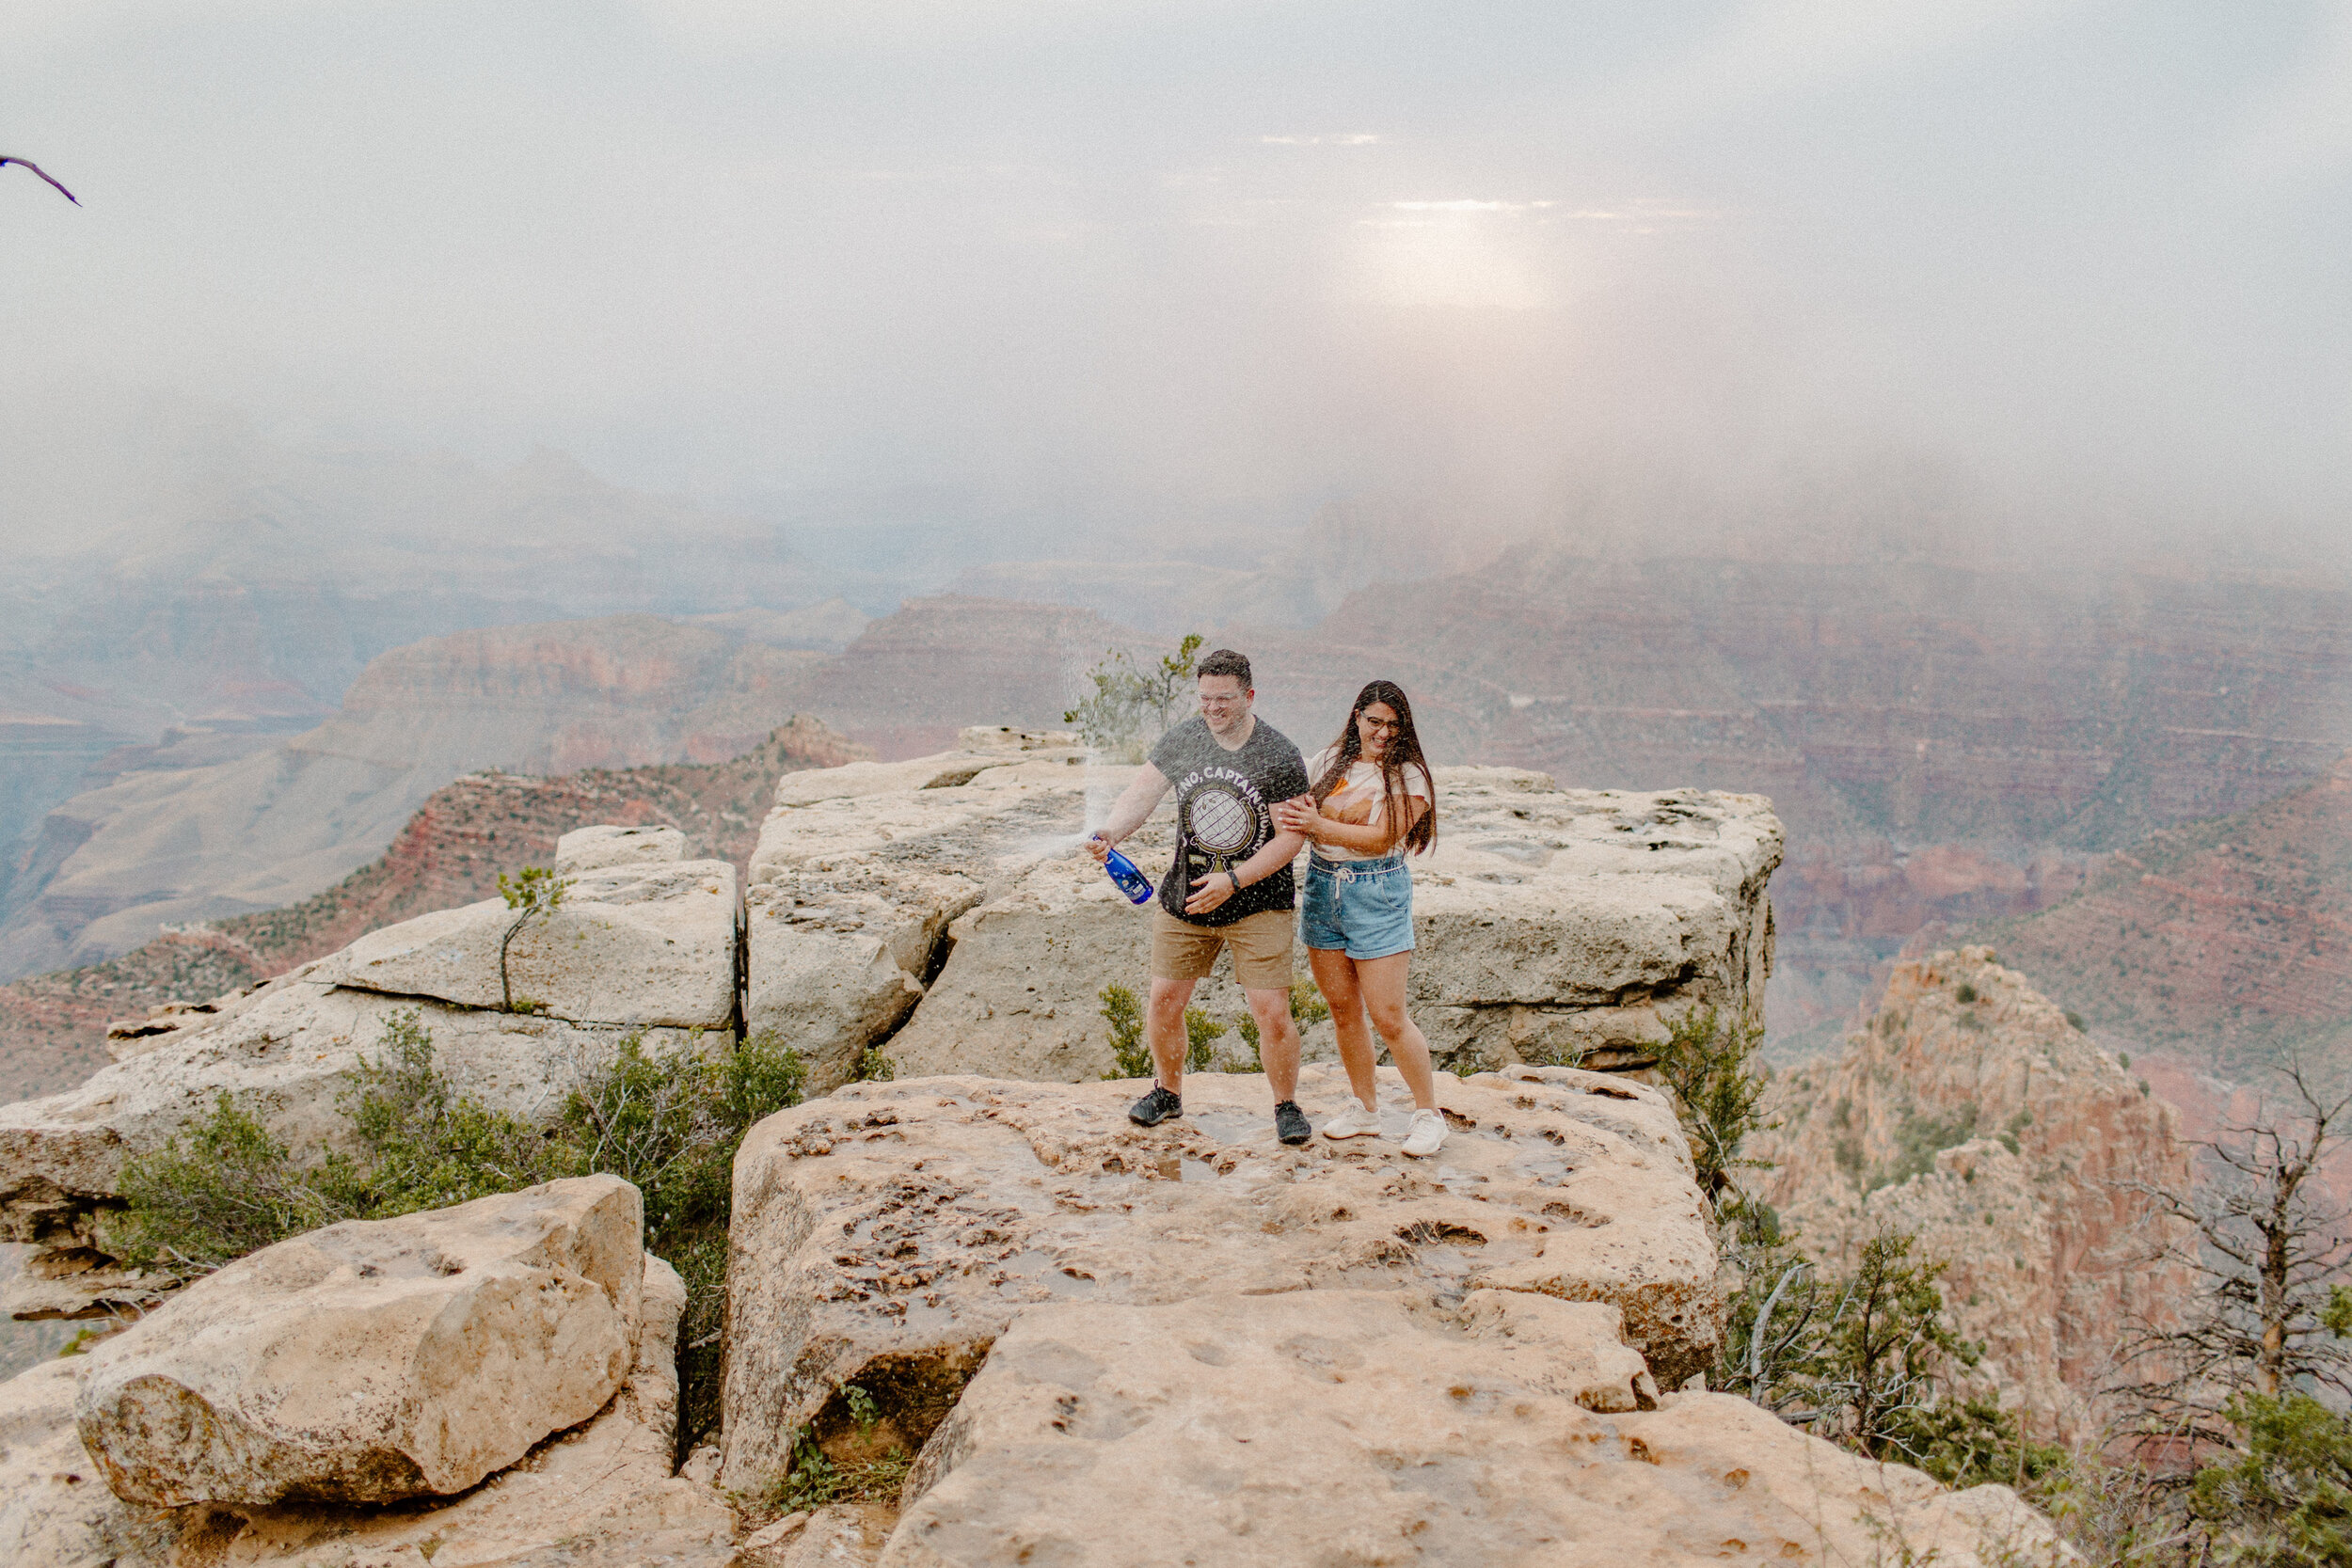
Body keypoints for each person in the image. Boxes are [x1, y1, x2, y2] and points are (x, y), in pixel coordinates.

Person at [1087, 648, 1315, 1143]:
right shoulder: (1185, 739)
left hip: (1258, 900)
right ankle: (1167, 1093)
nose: (1213, 708)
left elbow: (1291, 837)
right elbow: (1142, 794)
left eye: (1225, 699)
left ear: (1249, 696)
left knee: (1271, 1011)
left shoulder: (1278, 753)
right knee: (1165, 1000)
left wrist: (1232, 882)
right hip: (1187, 896)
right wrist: (1110, 832)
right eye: (1206, 698)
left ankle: (1286, 1105)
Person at [1272, 680, 1446, 1157]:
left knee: (1389, 1016)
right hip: (1323, 887)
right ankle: (1366, 1110)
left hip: (1377, 892)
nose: (1383, 733)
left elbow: (1382, 838)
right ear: (1357, 718)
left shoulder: (1408, 777)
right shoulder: (1326, 763)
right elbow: (1283, 806)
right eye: (1375, 722)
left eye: (1393, 725)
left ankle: (1428, 1115)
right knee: (1344, 1010)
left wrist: (1316, 825)